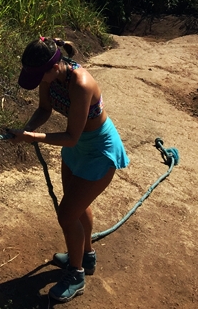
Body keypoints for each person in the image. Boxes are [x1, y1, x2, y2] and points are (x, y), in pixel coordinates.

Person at [8, 37, 129, 303]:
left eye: (41, 76)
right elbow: (43, 109)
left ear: (54, 68)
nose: (40, 81)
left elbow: (72, 135)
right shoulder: (48, 77)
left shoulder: (81, 85)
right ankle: (86, 256)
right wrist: (27, 129)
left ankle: (76, 275)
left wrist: (33, 138)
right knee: (76, 206)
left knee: (66, 215)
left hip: (98, 150)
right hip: (77, 149)